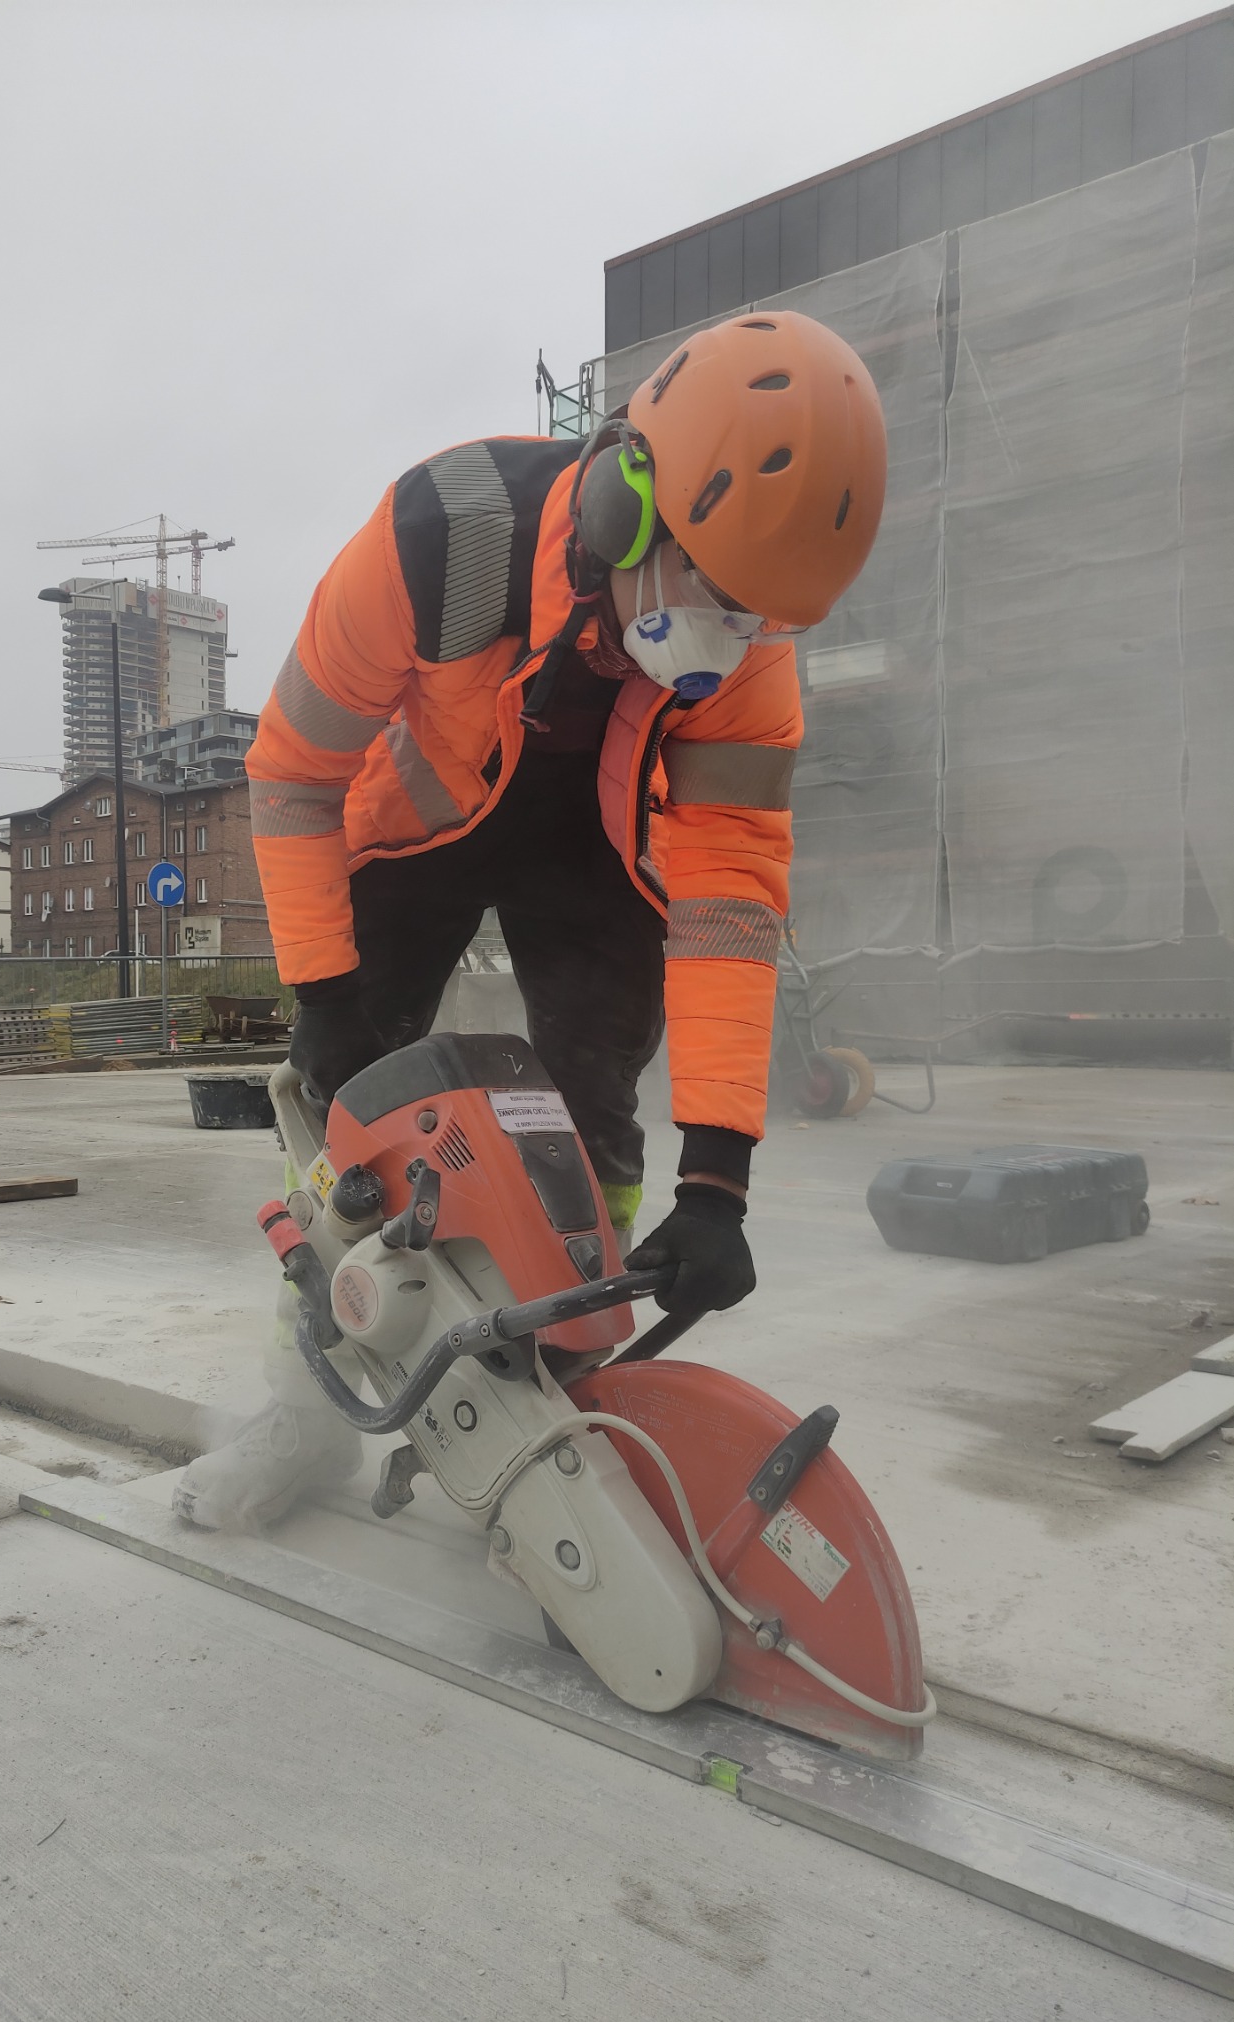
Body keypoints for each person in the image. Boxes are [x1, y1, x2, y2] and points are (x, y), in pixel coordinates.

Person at [176, 310, 886, 1530]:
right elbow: (292, 772)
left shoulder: (747, 661)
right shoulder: (439, 538)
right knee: (344, 1125)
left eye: (759, 622)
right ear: (623, 504)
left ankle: (552, 1428)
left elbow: (727, 905)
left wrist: (717, 1178)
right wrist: (326, 994)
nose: (726, 648)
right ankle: (305, 1411)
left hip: (596, 852)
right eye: (717, 600)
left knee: (592, 1119)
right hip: (418, 831)